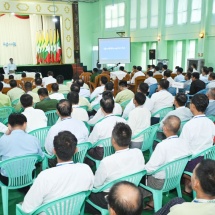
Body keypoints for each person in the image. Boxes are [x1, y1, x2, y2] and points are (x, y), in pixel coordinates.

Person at [21, 131, 94, 213]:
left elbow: (27, 208)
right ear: (76, 150)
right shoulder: (86, 169)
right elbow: (88, 191)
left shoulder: (45, 176)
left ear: (54, 151)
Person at [85, 122, 145, 214]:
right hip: (130, 194)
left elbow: (96, 185)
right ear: (130, 139)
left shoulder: (107, 161)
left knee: (85, 195)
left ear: (113, 140)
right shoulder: (138, 153)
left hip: (109, 199)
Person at [142, 116, 190, 209]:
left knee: (141, 177)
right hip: (176, 178)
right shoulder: (184, 143)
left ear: (164, 128)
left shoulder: (162, 146)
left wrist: (142, 169)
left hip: (160, 182)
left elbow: (150, 169)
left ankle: (150, 201)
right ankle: (153, 201)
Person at [180, 94, 215, 193]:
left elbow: (183, 146)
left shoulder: (189, 125)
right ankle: (189, 186)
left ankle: (188, 184)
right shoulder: (210, 123)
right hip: (207, 159)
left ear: (193, 106)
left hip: (192, 162)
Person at [0, 113, 43, 182]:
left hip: (8, 180)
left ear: (9, 126)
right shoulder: (33, 139)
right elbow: (40, 157)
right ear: (25, 124)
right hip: (29, 175)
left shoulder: (2, 140)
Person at [87, 97, 126, 162]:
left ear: (101, 109)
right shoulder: (123, 121)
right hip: (118, 148)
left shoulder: (99, 125)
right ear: (114, 107)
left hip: (101, 153)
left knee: (88, 148)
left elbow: (90, 143)